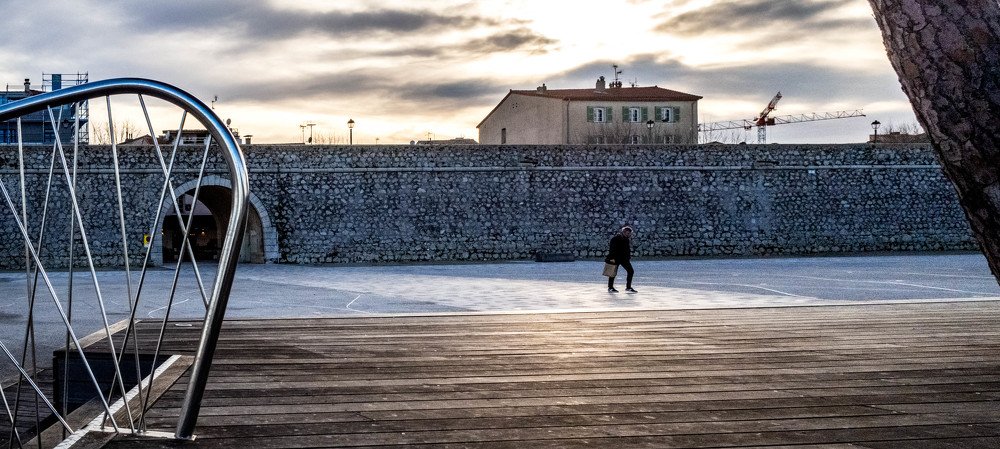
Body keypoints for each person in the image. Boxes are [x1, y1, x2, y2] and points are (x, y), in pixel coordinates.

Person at [605, 226, 636, 293]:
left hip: (624, 259)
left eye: (629, 234)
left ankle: (628, 287)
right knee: (612, 273)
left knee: (631, 271)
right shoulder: (615, 239)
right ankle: (610, 287)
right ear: (623, 232)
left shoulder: (626, 239)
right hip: (615, 258)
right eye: (628, 233)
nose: (629, 235)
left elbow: (627, 249)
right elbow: (612, 249)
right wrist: (612, 258)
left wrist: (628, 257)